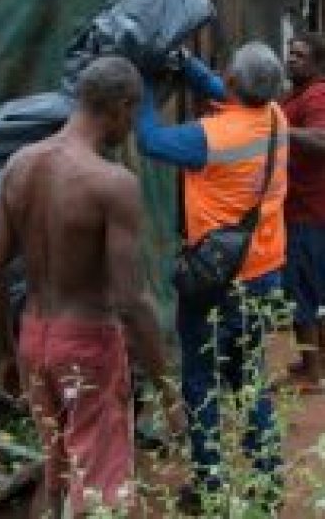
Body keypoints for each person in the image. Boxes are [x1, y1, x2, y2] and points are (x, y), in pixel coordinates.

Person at [0, 56, 179, 518]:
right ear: (121, 107)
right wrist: (168, 392)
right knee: (100, 494)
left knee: (56, 473)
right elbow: (131, 301)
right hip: (88, 346)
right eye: (134, 115)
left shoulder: (20, 165)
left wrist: (7, 354)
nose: (131, 127)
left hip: (34, 339)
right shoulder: (112, 184)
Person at [136, 42, 288, 514]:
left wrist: (138, 80)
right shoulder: (276, 117)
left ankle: (210, 486)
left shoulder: (211, 138)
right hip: (265, 271)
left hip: (215, 282)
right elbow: (226, 88)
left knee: (200, 381)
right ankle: (267, 478)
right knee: (251, 377)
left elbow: (149, 141)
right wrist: (189, 66)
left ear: (238, 84)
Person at [282, 33, 325, 391]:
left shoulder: (317, 96)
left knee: (303, 293)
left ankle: (313, 373)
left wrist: (281, 130)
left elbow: (321, 141)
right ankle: (314, 360)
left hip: (309, 212)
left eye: (300, 55)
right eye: (290, 53)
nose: (292, 58)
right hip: (299, 208)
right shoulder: (296, 95)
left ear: (316, 63)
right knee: (309, 288)